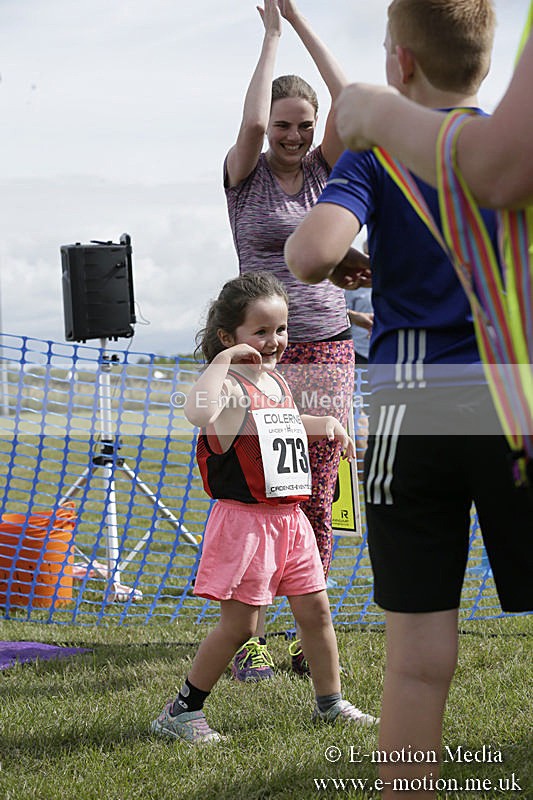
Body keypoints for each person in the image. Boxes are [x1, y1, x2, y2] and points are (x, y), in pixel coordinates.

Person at [285, 1, 533, 796]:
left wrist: (348, 251)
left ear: (397, 65)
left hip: (406, 412)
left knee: (417, 661)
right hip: (513, 405)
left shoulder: (379, 156)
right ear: (486, 65)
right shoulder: (510, 145)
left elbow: (311, 252)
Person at [151, 272, 378, 743]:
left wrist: (329, 424)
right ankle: (181, 712)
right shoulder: (229, 385)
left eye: (280, 329)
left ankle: (330, 703)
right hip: (245, 524)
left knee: (316, 612)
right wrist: (224, 360)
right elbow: (197, 412)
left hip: (290, 521)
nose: (274, 341)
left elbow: (282, 421)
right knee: (240, 626)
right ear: (227, 335)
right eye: (260, 331)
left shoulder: (273, 379)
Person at [224, 0, 368, 680]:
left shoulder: (327, 171)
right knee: (257, 493)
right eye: (284, 125)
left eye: (301, 126)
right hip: (262, 356)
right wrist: (273, 35)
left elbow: (348, 100)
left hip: (328, 347)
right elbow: (252, 121)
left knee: (315, 494)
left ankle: (305, 642)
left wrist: (305, 23)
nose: (290, 134)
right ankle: (243, 636)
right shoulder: (244, 178)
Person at [333, 5, 533, 209]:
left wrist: (376, 113)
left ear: (404, 62)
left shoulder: (376, 149)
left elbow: (505, 171)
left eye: (388, 51)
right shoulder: (498, 135)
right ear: (487, 63)